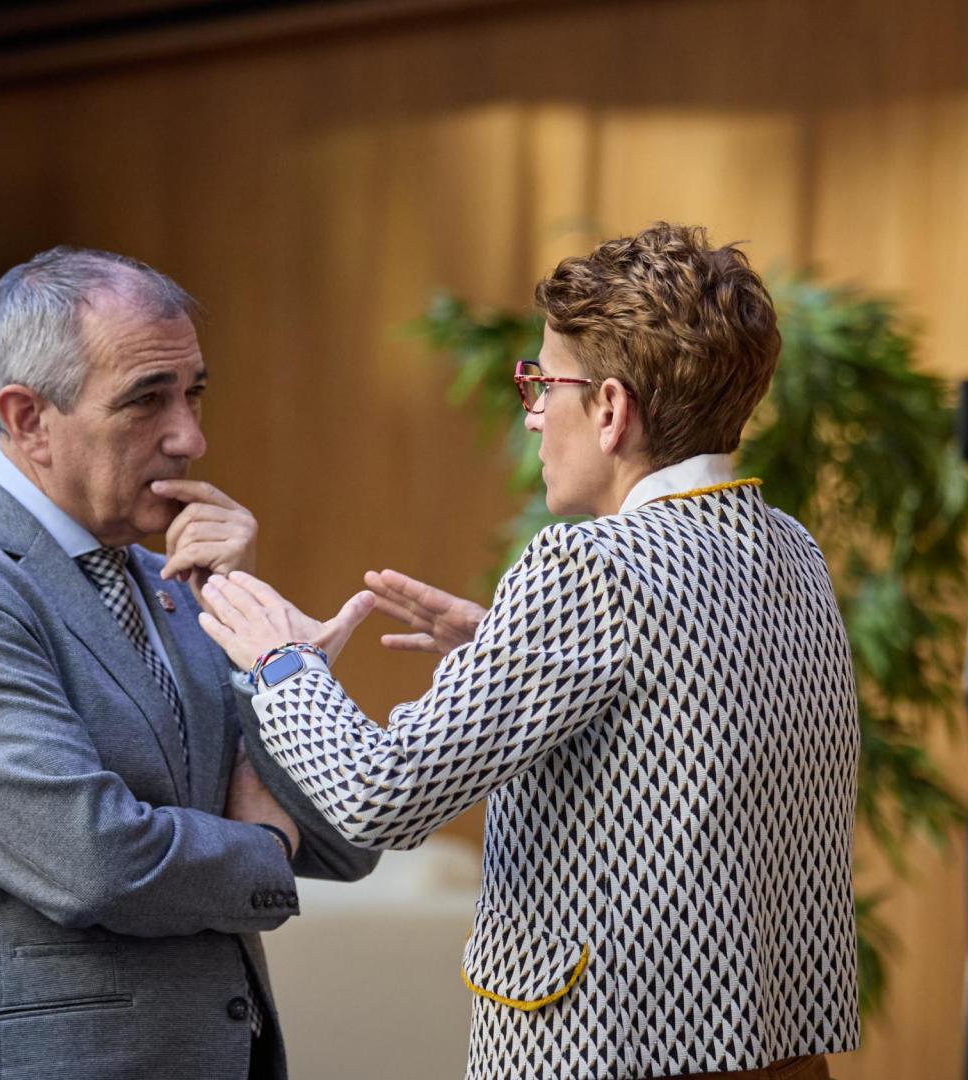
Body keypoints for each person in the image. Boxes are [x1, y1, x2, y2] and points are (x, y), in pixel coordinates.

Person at [196, 222, 861, 1080]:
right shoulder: (787, 547)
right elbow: (696, 712)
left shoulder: (586, 564)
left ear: (612, 410)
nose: (535, 412)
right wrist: (504, 646)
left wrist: (281, 665)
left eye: (544, 383)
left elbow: (381, 796)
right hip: (779, 1052)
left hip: (613, 1055)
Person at [0, 246, 379, 1080]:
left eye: (194, 392)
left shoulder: (173, 583)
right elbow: (97, 862)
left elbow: (349, 837)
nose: (190, 437)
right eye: (145, 401)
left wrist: (268, 654)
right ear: (26, 419)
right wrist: (264, 841)